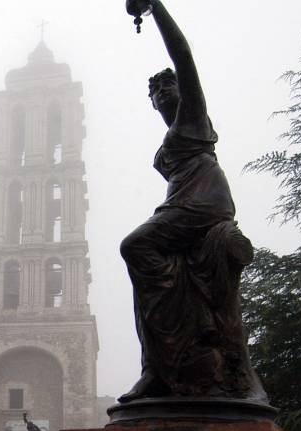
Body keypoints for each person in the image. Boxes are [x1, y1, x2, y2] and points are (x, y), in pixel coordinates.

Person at [118, 0, 264, 403]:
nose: (161, 95)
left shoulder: (193, 118)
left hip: (205, 207)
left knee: (136, 245)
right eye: (155, 94)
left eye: (167, 87)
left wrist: (154, 8)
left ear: (183, 92)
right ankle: (160, 366)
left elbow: (182, 54)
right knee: (151, 276)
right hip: (183, 208)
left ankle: (158, 367)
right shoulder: (168, 141)